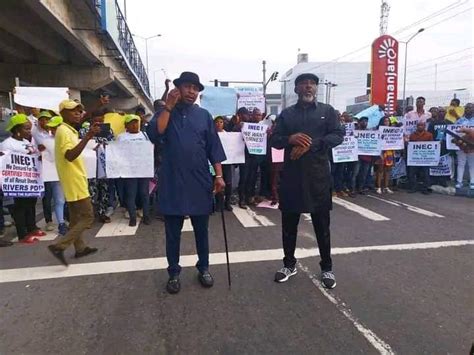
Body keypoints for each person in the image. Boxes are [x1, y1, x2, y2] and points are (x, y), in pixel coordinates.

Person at [152, 71, 226, 294]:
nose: (192, 92)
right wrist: (168, 106)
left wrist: (220, 176)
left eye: (195, 88)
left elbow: (213, 148)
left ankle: (203, 267)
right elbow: (157, 133)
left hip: (199, 180)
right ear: (178, 88)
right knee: (172, 232)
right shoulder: (165, 112)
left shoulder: (204, 115)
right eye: (188, 87)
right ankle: (173, 272)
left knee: (201, 230)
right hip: (172, 180)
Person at [270, 73, 344, 289]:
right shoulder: (286, 114)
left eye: (312, 83)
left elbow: (338, 135)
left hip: (318, 177)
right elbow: (275, 140)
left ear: (316, 88)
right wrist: (290, 139)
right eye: (303, 84)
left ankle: (327, 268)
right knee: (289, 226)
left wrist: (312, 144)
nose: (308, 87)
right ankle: (289, 264)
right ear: (296, 89)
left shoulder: (327, 112)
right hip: (292, 177)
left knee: (322, 226)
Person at [47, 99, 100, 266]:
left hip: (73, 178)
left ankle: (80, 248)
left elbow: (84, 116)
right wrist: (88, 137)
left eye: (79, 111)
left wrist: (96, 105)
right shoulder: (63, 131)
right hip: (74, 179)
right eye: (73, 110)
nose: (77, 113)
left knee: (76, 219)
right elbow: (69, 155)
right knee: (88, 216)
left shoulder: (69, 129)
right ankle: (59, 245)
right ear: (62, 113)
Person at [0, 114, 46, 244]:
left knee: (31, 204)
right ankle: (22, 233)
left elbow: (34, 157)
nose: (29, 131)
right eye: (26, 129)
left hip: (30, 181)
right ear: (17, 129)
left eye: (29, 128)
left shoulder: (26, 142)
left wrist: (39, 154)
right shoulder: (7, 144)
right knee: (20, 207)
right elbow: (5, 162)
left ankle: (32, 227)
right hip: (17, 182)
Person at [79, 108, 114, 224]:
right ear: (91, 120)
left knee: (104, 190)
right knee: (91, 191)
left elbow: (114, 145)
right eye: (96, 121)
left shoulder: (109, 130)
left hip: (104, 165)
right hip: (90, 165)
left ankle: (102, 213)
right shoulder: (85, 131)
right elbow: (80, 144)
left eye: (101, 120)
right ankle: (90, 216)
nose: (99, 123)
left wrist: (107, 145)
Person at [117, 114, 152, 226]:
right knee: (131, 194)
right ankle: (133, 217)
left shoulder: (145, 135)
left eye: (136, 122)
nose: (135, 125)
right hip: (129, 171)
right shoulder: (121, 137)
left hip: (143, 169)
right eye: (132, 122)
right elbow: (117, 153)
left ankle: (146, 216)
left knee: (144, 193)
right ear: (126, 125)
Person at [408, 121, 433, 194]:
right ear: (416, 126)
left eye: (422, 125)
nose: (420, 127)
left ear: (424, 126)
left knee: (425, 174)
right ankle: (413, 187)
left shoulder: (429, 135)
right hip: (415, 158)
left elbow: (432, 146)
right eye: (419, 125)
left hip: (425, 158)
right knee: (412, 173)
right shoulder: (412, 135)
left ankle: (425, 188)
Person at [214, 116, 233, 211]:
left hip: (227, 162)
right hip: (216, 163)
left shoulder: (229, 135)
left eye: (221, 122)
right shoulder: (212, 135)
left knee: (228, 182)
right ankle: (219, 203)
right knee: (217, 182)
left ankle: (227, 202)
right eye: (217, 122)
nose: (219, 124)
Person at [454, 103, 474, 189]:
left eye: (471, 108)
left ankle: (472, 182)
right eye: (467, 107)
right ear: (465, 109)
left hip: (472, 146)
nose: (468, 109)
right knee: (461, 164)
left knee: (472, 165)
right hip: (461, 146)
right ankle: (459, 182)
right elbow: (454, 131)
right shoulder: (460, 121)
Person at [374, 116, 395, 194]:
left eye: (388, 121)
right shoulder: (378, 131)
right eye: (385, 121)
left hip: (389, 152)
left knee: (388, 170)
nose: (387, 122)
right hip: (381, 152)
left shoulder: (393, 131)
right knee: (380, 170)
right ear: (382, 122)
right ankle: (378, 187)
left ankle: (386, 187)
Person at [353, 116, 373, 194]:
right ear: (359, 122)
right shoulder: (355, 131)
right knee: (355, 173)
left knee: (364, 174)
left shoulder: (370, 132)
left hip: (367, 156)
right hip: (357, 156)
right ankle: (353, 189)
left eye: (366, 121)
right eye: (363, 121)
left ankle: (360, 188)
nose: (365, 123)